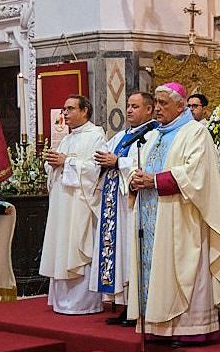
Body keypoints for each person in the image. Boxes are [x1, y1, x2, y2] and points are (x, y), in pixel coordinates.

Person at [124, 84, 220, 343]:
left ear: (180, 106)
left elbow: (197, 173)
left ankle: (188, 329)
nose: (157, 108)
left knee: (183, 267)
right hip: (153, 217)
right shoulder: (153, 135)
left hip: (182, 217)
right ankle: (157, 326)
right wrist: (135, 180)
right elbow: (137, 165)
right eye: (156, 103)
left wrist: (156, 181)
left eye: (163, 103)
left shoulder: (196, 132)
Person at [92, 92, 161, 324]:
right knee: (119, 253)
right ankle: (124, 304)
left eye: (135, 106)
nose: (129, 110)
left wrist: (117, 162)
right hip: (115, 204)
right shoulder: (122, 135)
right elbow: (104, 156)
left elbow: (148, 164)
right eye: (128, 106)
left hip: (131, 204)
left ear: (150, 109)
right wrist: (101, 161)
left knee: (130, 252)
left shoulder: (152, 134)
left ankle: (136, 306)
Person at [40, 95, 106, 315]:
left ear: (85, 110)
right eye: (64, 109)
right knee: (61, 245)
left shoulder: (96, 135)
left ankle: (83, 303)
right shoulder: (67, 138)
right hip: (62, 204)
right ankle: (62, 301)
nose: (64, 114)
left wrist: (66, 162)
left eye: (70, 109)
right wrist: (52, 164)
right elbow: (56, 168)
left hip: (80, 204)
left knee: (78, 245)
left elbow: (96, 170)